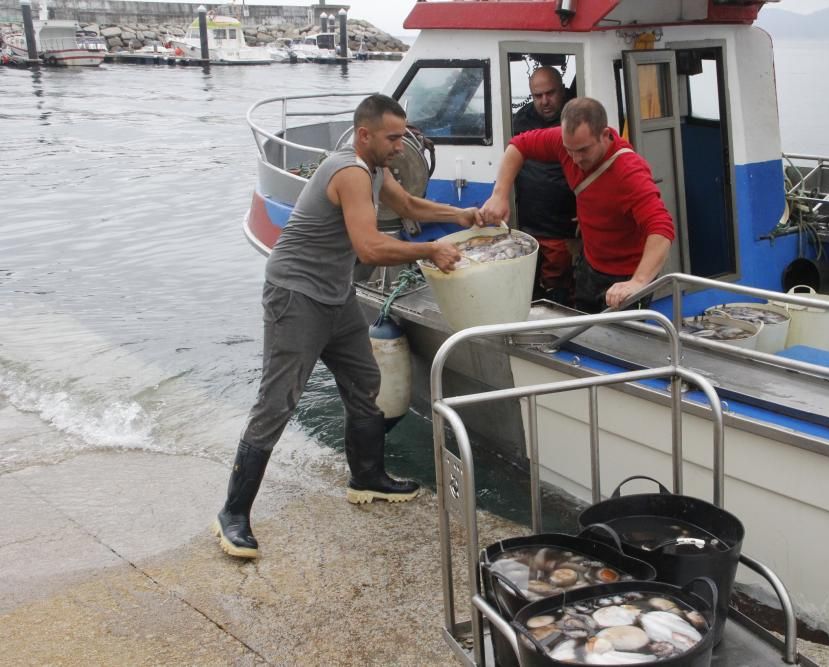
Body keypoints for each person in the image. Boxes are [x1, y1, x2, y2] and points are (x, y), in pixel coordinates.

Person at [215, 94, 485, 559]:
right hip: (296, 296)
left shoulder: (376, 169)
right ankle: (233, 514)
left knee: (364, 381)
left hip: (335, 295)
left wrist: (458, 216)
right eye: (393, 137)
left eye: (404, 135)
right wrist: (429, 251)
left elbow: (409, 206)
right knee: (276, 402)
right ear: (365, 135)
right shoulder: (349, 172)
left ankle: (367, 477)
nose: (402, 145)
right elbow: (369, 247)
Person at [482, 97, 674, 313]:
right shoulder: (567, 143)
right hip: (590, 264)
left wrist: (638, 282)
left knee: (621, 341)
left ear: (604, 135)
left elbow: (662, 228)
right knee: (584, 330)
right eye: (569, 150)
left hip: (626, 275)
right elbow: (519, 145)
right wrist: (500, 194)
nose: (574, 159)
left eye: (583, 150)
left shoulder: (630, 172)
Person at [510, 66, 577, 305]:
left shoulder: (577, 118)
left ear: (563, 91)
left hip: (564, 228)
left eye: (550, 93)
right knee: (527, 286)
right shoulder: (521, 120)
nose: (545, 101)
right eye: (538, 96)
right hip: (528, 224)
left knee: (560, 287)